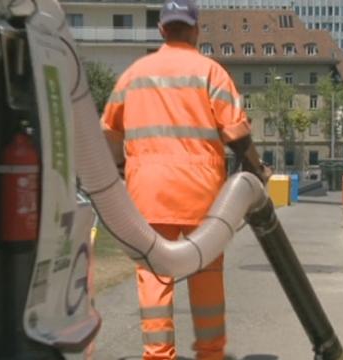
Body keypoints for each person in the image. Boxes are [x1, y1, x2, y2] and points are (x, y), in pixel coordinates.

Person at [100, 0, 269, 358]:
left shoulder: (134, 74)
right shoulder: (211, 72)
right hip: (203, 199)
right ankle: (210, 352)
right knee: (206, 273)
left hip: (148, 195)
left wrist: (118, 170)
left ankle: (159, 354)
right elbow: (236, 133)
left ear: (161, 29)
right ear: (195, 29)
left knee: (154, 275)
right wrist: (257, 167)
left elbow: (110, 131)